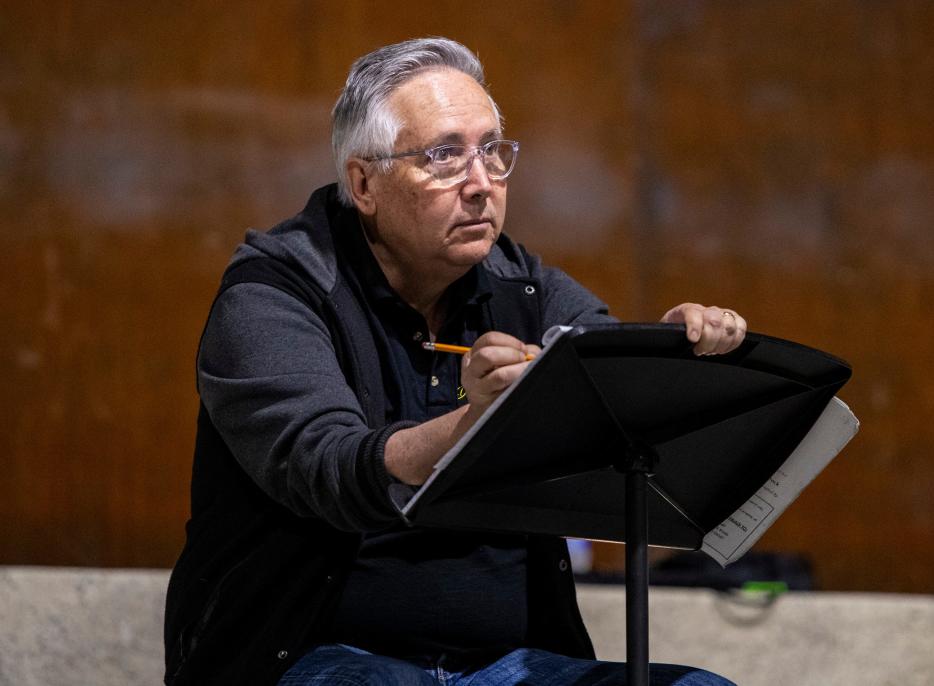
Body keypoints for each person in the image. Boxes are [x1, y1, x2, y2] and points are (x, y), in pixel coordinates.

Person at [163, 37, 746, 686]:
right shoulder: (278, 288)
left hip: (504, 664)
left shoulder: (521, 284)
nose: (480, 184)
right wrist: (478, 427)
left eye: (492, 152)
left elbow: (614, 394)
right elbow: (325, 466)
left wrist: (669, 357)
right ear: (364, 183)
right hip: (311, 654)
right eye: (444, 156)